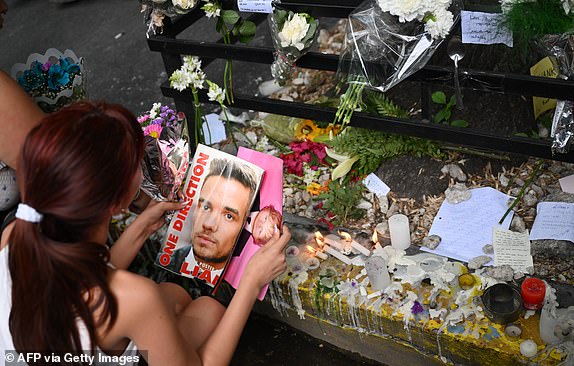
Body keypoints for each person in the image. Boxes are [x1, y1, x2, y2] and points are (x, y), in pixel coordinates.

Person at [0, 101, 290, 366]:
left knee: (173, 295)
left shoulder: (19, 231)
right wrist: (251, 282)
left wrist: (140, 228)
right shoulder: (132, 297)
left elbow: (82, 281)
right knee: (209, 311)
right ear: (117, 202)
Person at [165, 158, 259, 281]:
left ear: (245, 224)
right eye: (206, 207)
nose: (209, 224)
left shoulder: (245, 279)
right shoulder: (170, 260)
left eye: (229, 216)